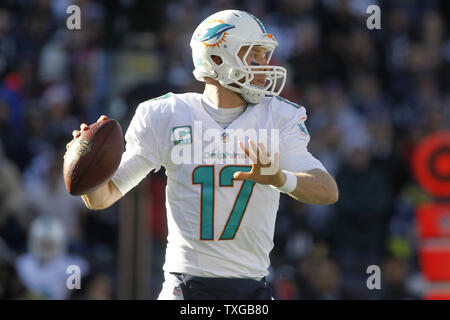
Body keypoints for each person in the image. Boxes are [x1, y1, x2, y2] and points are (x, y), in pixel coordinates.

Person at [66, 10, 338, 300]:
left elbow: (328, 190)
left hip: (251, 288)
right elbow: (102, 197)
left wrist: (281, 179)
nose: (264, 65)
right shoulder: (166, 115)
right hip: (184, 286)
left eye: (264, 55)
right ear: (219, 58)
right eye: (253, 55)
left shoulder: (278, 116)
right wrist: (84, 162)